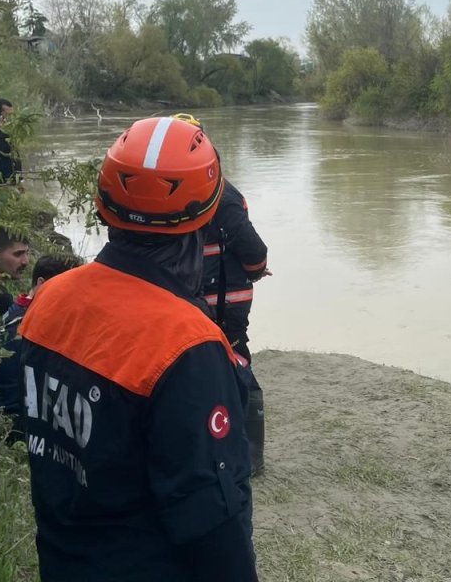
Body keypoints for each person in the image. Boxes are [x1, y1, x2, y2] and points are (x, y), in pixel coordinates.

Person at [17, 116, 259, 582]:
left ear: (103, 207)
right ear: (208, 217)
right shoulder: (188, 345)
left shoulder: (49, 300)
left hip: (63, 561)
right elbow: (211, 522)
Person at [172, 113, 271, 475]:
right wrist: (257, 269)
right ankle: (236, 451)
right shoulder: (220, 192)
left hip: (211, 298)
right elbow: (253, 251)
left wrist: (256, 267)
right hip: (213, 297)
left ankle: (247, 454)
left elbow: (249, 248)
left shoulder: (185, 191)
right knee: (224, 365)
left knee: (225, 364)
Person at [0, 254, 83, 423]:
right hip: (17, 425)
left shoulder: (14, 312)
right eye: (69, 288)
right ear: (42, 284)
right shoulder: (32, 328)